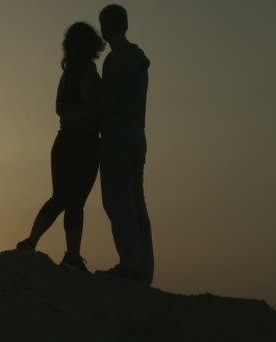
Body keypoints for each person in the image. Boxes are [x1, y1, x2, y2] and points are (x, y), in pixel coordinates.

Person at [17, 22, 104, 274]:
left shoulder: (66, 73)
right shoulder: (88, 70)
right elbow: (93, 102)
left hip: (63, 140)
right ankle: (72, 257)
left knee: (59, 197)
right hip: (84, 142)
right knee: (75, 201)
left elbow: (58, 107)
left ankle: (31, 241)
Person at [95, 4, 155, 285]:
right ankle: (143, 268)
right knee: (136, 203)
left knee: (118, 201)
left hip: (117, 136)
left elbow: (107, 102)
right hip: (137, 135)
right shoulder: (138, 59)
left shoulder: (115, 60)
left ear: (106, 28)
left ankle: (130, 263)